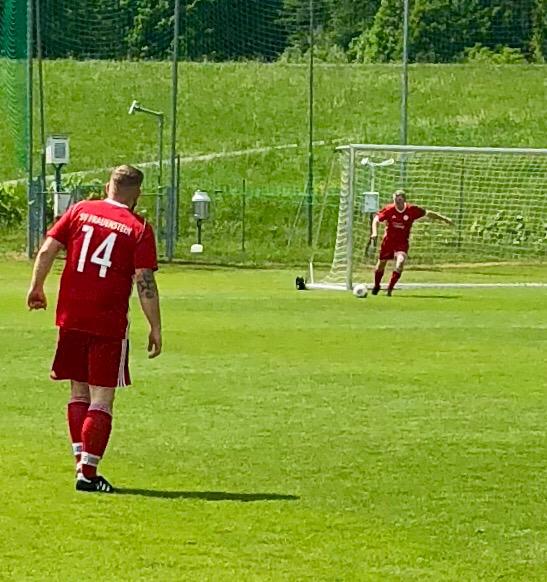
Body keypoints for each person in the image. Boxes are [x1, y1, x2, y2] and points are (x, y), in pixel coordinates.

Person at [27, 165, 162, 493]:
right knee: (101, 399)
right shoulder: (139, 228)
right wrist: (155, 326)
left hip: (71, 317)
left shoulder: (80, 210)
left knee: (78, 393)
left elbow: (47, 249)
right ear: (137, 193)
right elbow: (144, 280)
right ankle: (88, 474)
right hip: (107, 323)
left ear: (107, 186)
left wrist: (36, 287)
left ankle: (81, 464)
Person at [369, 189, 454, 296]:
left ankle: (389, 289)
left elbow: (428, 213)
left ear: (404, 200)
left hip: (402, 243)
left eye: (399, 200)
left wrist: (445, 219)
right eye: (395, 200)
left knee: (400, 263)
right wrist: (374, 232)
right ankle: (377, 285)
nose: (397, 202)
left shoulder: (411, 210)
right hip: (388, 242)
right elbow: (376, 219)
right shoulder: (389, 209)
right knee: (381, 264)